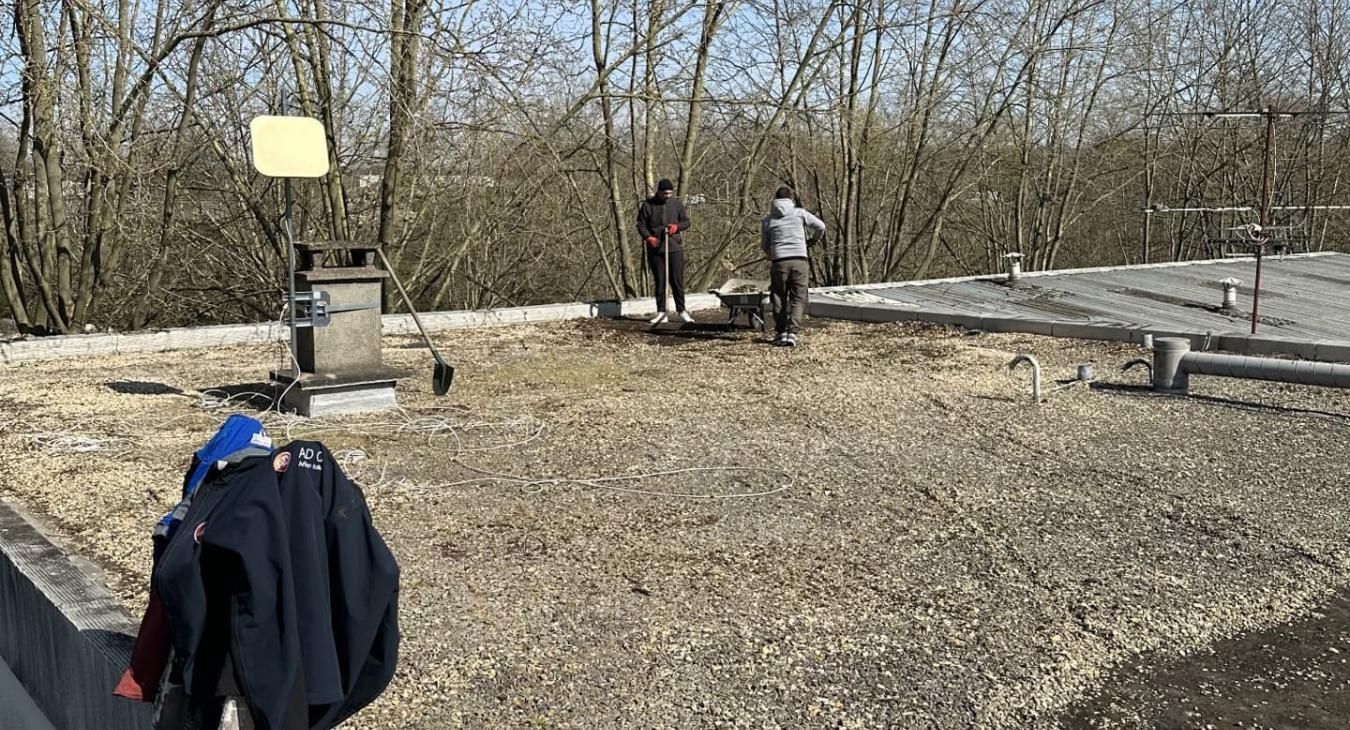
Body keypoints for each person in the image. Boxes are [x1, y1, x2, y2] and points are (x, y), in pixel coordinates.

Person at [761, 186, 825, 346]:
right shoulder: (800, 213)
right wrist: (813, 240)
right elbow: (821, 226)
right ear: (792, 199)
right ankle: (792, 332)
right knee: (798, 297)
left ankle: (781, 332)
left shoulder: (768, 220)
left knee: (778, 297)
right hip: (799, 260)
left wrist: (770, 252)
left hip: (779, 262)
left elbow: (764, 245)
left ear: (776, 199)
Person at [636, 178, 693, 325]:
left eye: (670, 193)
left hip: (674, 248)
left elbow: (686, 222)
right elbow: (641, 224)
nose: (668, 196)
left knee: (677, 281)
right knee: (660, 281)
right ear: (659, 192)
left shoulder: (676, 204)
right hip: (656, 249)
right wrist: (648, 237)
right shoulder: (648, 205)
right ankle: (661, 312)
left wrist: (677, 227)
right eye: (665, 193)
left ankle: (682, 310)